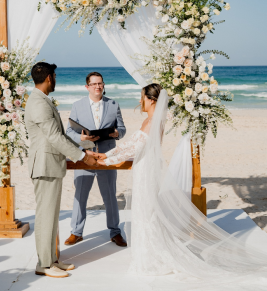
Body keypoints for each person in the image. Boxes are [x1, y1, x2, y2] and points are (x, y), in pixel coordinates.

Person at [93, 83, 267, 289]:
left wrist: (105, 161)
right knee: (143, 210)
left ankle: (152, 257)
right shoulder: (148, 120)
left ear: (151, 100)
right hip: (142, 169)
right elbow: (129, 144)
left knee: (147, 212)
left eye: (142, 98)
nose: (140, 101)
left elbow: (134, 149)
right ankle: (146, 253)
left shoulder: (153, 122)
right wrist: (107, 154)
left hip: (147, 171)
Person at [24, 62, 97, 279]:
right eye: (54, 76)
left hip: (51, 165)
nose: (55, 79)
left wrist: (86, 148)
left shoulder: (42, 100)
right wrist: (83, 157)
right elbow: (54, 138)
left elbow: (60, 135)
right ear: (48, 78)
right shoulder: (38, 103)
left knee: (52, 216)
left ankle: (53, 259)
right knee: (46, 216)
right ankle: (44, 264)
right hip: (44, 166)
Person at [65, 72, 127, 247]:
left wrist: (117, 133)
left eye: (100, 83)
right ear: (87, 87)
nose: (97, 87)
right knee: (80, 196)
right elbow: (69, 132)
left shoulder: (113, 105)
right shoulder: (77, 105)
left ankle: (115, 232)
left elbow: (122, 129)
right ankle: (76, 232)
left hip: (107, 157)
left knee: (110, 196)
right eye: (93, 84)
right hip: (84, 157)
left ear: (103, 85)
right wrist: (83, 139)